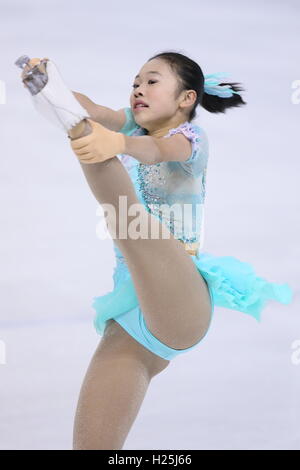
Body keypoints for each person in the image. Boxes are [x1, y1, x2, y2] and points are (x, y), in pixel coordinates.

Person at [18, 51, 293, 450]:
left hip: (181, 299)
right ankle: (70, 121)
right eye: (134, 84)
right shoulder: (129, 125)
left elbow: (158, 152)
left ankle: (73, 128)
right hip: (132, 321)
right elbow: (93, 108)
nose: (138, 90)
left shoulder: (190, 140)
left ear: (186, 99)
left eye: (151, 81)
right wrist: (48, 87)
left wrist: (112, 140)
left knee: (126, 218)